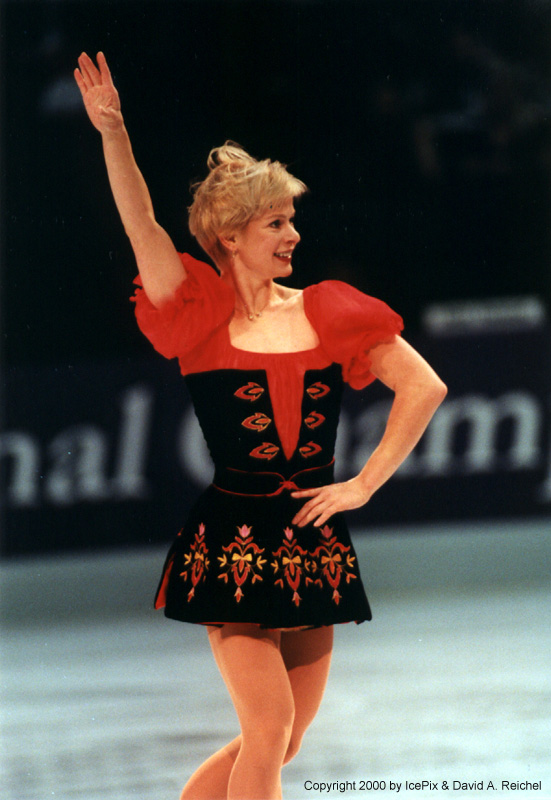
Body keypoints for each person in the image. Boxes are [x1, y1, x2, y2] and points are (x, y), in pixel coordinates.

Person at [74, 51, 447, 800]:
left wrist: (363, 485)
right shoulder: (197, 313)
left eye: (292, 220)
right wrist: (114, 134)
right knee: (270, 728)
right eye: (276, 222)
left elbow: (424, 386)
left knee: (283, 738)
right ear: (231, 236)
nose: (293, 234)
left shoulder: (328, 310)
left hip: (313, 540)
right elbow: (141, 223)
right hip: (233, 544)